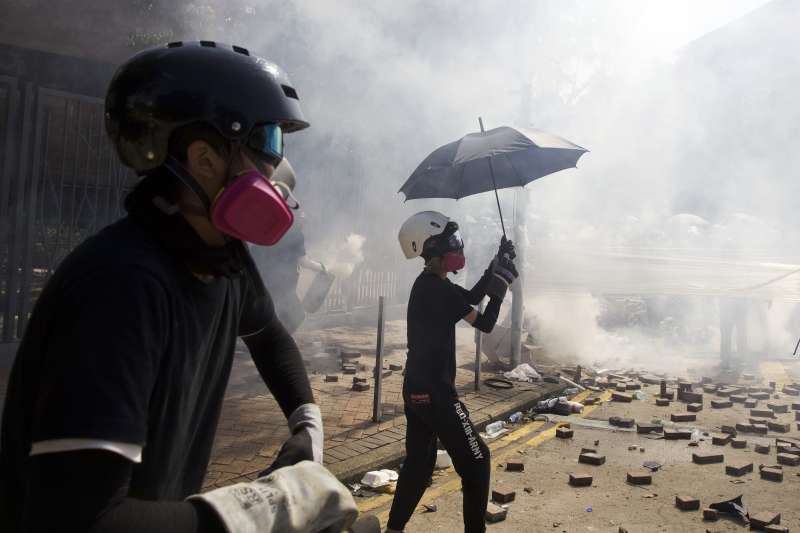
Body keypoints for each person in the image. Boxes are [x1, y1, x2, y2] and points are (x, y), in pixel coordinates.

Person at [0, 41, 356, 532]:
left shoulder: (223, 260)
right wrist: (263, 507)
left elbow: (270, 336)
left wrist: (306, 425)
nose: (279, 171)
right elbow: (82, 519)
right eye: (269, 142)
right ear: (205, 159)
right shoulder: (121, 287)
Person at [388, 211, 518, 533]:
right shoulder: (439, 290)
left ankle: (393, 529)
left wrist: (495, 263)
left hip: (416, 390)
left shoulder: (430, 284)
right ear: (432, 249)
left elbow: (472, 296)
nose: (459, 249)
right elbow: (485, 322)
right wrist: (500, 286)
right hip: (436, 395)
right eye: (453, 243)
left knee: (418, 468)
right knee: (477, 461)